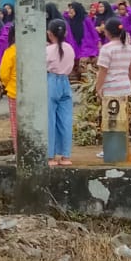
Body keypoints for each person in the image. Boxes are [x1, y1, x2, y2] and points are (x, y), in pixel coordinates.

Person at [95, 19, 131, 158]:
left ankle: (110, 149)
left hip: (111, 88)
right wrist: (127, 80)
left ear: (107, 32)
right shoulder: (130, 48)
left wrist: (98, 87)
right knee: (122, 119)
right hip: (124, 88)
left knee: (110, 119)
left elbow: (103, 71)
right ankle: (122, 149)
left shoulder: (107, 49)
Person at [45, 19, 75, 166]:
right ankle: (65, 156)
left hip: (51, 81)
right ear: (66, 33)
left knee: (49, 119)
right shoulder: (69, 48)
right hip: (65, 81)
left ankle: (50, 156)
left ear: (49, 34)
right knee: (66, 119)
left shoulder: (48, 50)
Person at [65, 2, 99, 78]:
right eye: (69, 9)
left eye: (72, 8)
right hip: (76, 49)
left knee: (85, 71)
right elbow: (64, 15)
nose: (69, 11)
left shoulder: (86, 20)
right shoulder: (69, 22)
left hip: (87, 48)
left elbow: (94, 33)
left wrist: (97, 44)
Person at [0, 33, 18, 153]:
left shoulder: (10, 51)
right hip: (33, 92)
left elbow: (4, 74)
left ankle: (18, 152)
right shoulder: (35, 49)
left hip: (14, 90)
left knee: (15, 125)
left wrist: (7, 84)